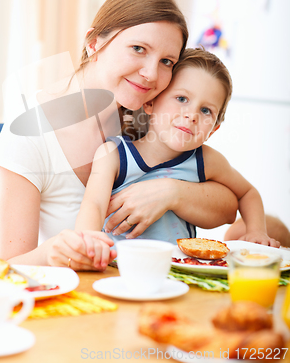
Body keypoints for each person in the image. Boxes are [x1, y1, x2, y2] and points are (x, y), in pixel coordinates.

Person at [0, 0, 238, 271]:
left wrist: (171, 193)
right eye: (138, 49)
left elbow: (230, 205)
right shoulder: (30, 136)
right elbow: (4, 270)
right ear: (94, 43)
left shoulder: (151, 118)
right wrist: (50, 253)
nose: (151, 74)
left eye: (166, 61)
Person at [75, 48, 279, 248]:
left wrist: (256, 232)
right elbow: (94, 205)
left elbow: (247, 193)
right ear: (150, 103)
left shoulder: (206, 160)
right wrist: (89, 246)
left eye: (206, 110)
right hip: (115, 270)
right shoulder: (113, 154)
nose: (192, 115)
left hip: (178, 272)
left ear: (214, 129)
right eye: (182, 99)